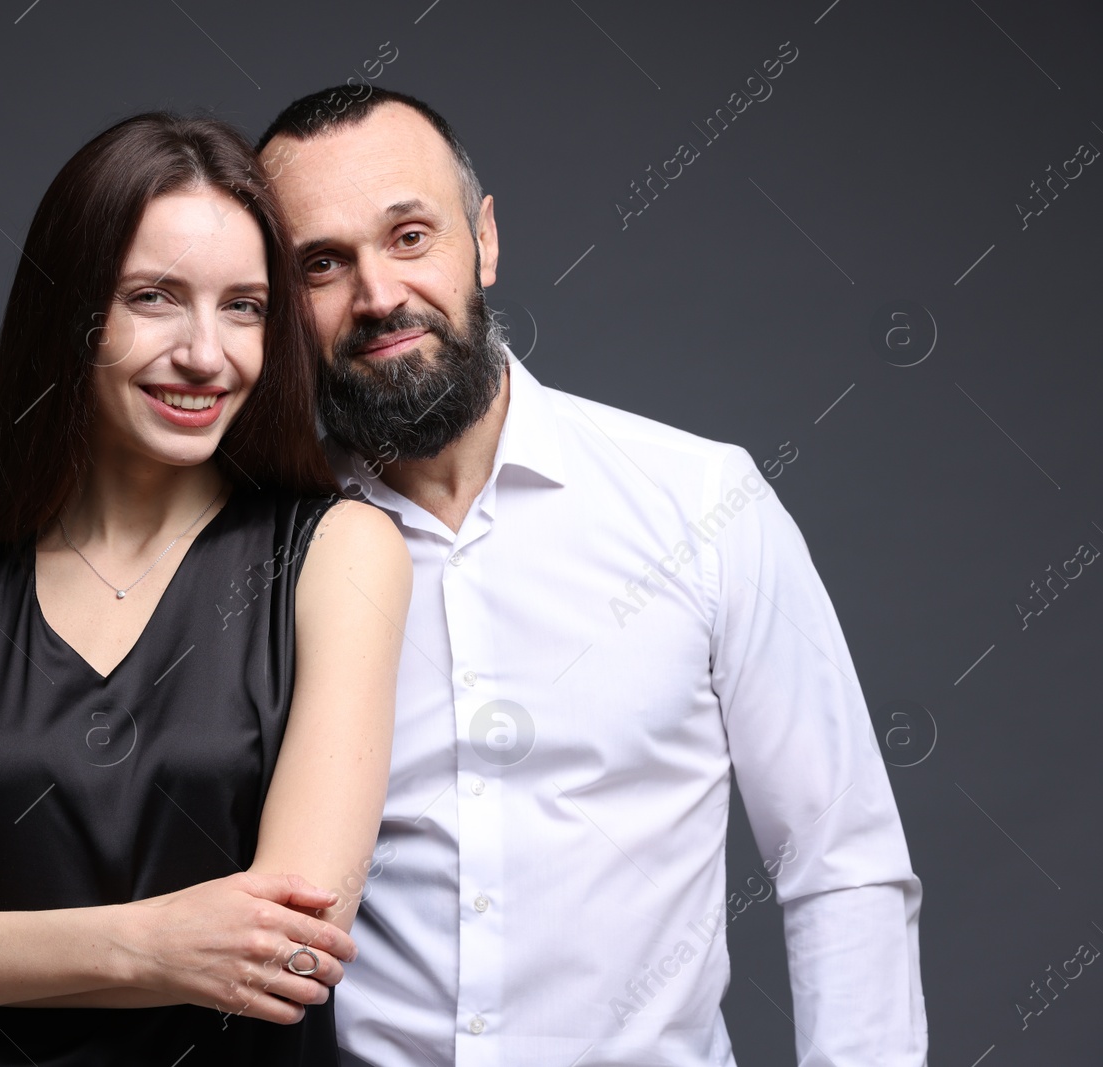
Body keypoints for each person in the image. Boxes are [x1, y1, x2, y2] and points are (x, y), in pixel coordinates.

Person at [254, 87, 927, 1066]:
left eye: (409, 235)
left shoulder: (705, 503)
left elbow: (841, 858)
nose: (377, 294)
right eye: (322, 263)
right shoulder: (256, 553)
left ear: (483, 240)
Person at [0, 111, 412, 1066]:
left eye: (244, 306)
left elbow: (288, 948)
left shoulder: (340, 551)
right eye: (155, 297)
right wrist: (146, 945)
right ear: (73, 314)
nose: (206, 353)